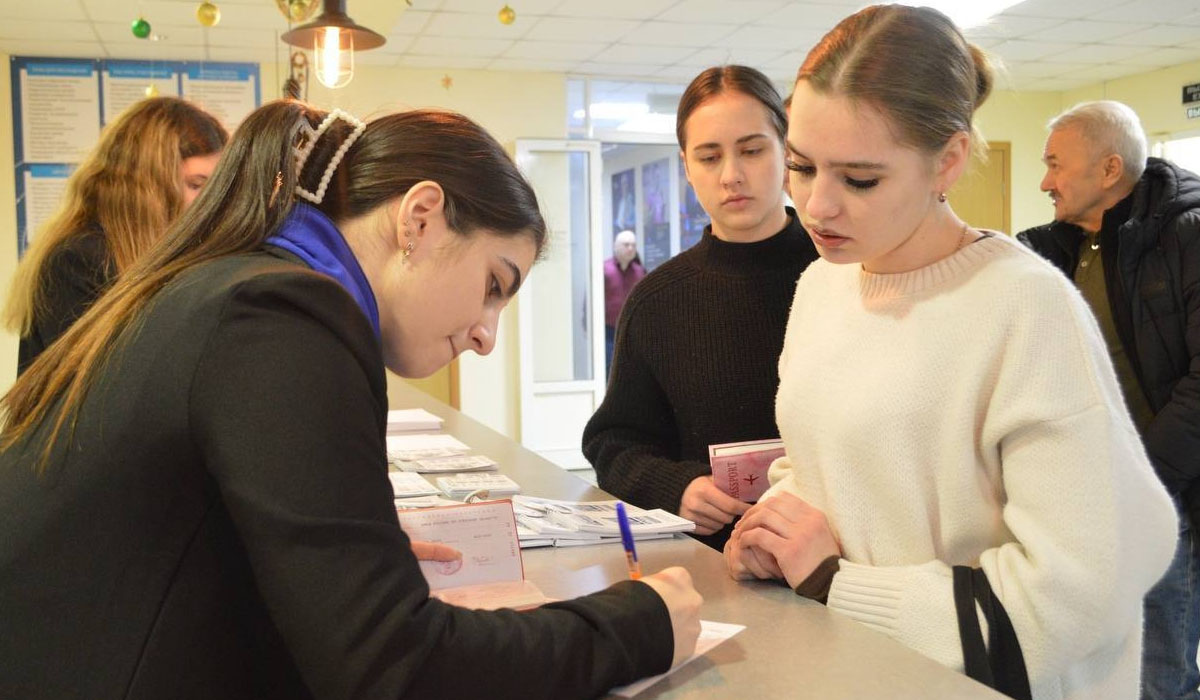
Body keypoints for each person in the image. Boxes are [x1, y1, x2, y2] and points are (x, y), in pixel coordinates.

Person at [0, 100, 701, 700]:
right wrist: (634, 624)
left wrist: (349, 552)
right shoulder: (283, 317)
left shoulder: (235, 286)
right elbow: (394, 668)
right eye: (494, 285)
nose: (487, 337)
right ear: (420, 218)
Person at [724, 6, 1176, 700]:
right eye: (802, 166)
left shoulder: (1024, 305)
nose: (816, 206)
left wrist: (835, 582)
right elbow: (834, 464)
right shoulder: (821, 285)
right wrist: (777, 524)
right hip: (847, 669)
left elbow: (1087, 583)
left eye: (860, 179)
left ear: (950, 160)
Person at [583, 65, 819, 551]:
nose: (732, 175)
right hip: (714, 563)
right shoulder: (657, 301)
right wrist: (677, 487)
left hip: (841, 563)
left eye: (752, 150)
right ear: (687, 168)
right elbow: (614, 444)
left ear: (787, 152)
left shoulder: (846, 274)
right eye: (709, 157)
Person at [1018, 100, 1200, 700]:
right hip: (1093, 498)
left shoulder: (1186, 235)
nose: (1044, 182)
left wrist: (1142, 479)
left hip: (1165, 495)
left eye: (1055, 164)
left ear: (1109, 169)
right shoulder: (1058, 249)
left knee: (1158, 676)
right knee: (1101, 673)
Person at [4, 96, 228, 374]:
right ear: (150, 187)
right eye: (196, 185)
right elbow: (108, 381)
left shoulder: (168, 255)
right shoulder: (78, 259)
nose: (209, 203)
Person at [603, 229, 645, 375]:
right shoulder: (604, 269)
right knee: (609, 366)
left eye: (633, 245)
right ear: (616, 246)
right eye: (626, 245)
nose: (630, 248)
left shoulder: (640, 272)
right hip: (608, 329)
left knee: (630, 369)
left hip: (632, 330)